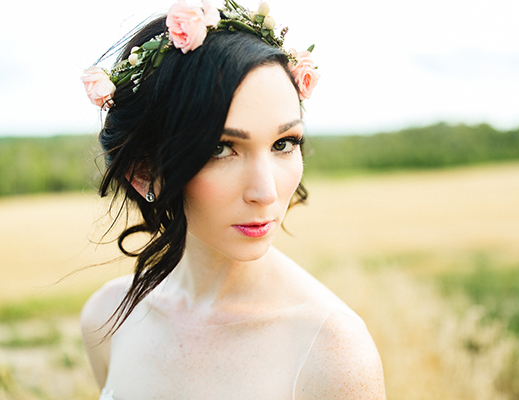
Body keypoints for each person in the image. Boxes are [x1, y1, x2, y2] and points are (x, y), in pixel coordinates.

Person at [77, 1, 385, 398]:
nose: (266, 192)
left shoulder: (332, 352)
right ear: (143, 172)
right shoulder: (107, 318)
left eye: (283, 143)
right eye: (221, 149)